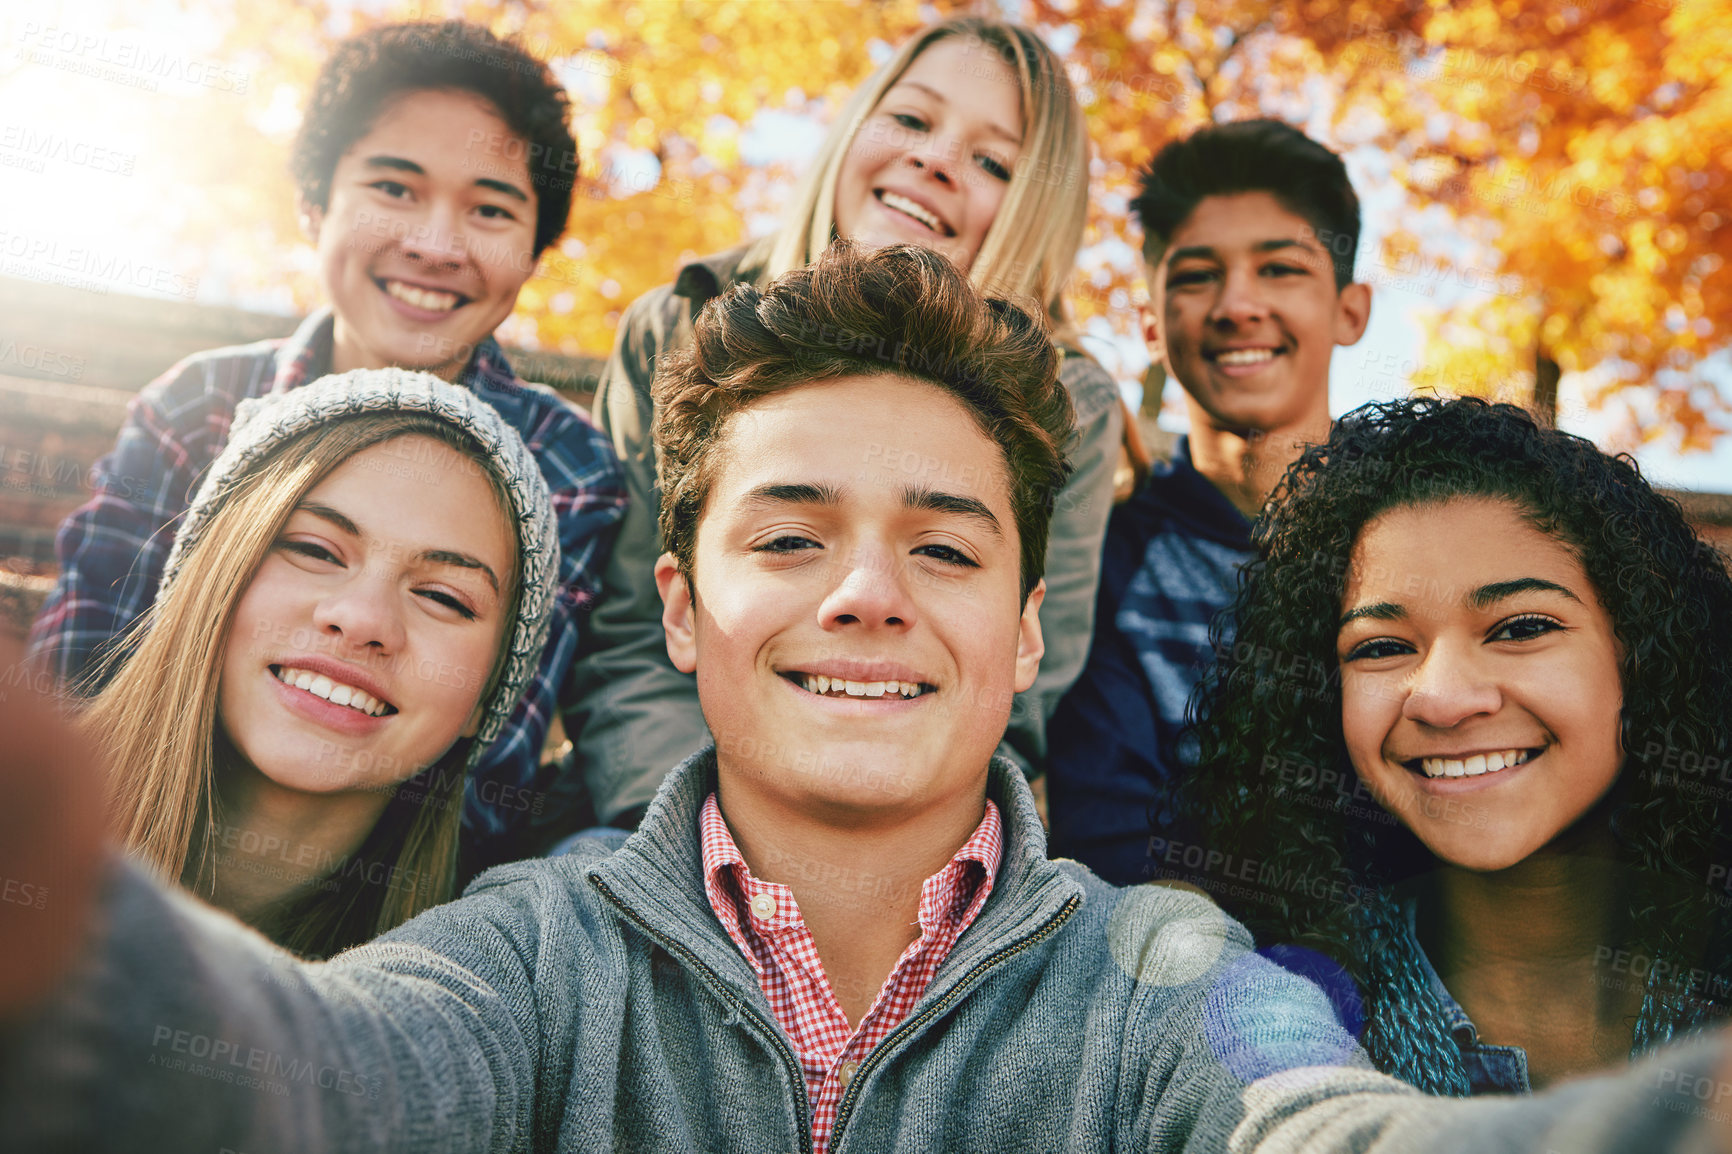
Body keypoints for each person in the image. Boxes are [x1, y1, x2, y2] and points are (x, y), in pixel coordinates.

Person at [7, 243, 1732, 1154]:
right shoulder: (525, 947)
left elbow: (1318, 1126)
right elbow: (318, 1073)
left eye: (942, 543)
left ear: (1023, 625)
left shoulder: (1169, 973)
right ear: (680, 609)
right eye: (792, 530)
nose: (864, 591)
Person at [26, 21, 626, 871]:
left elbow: (482, 774)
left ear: (533, 252)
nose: (436, 246)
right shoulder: (200, 406)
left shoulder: (567, 468)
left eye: (491, 209)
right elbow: (80, 681)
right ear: (315, 204)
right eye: (394, 188)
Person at [565, 15, 1124, 831]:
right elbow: (626, 644)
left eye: (992, 161)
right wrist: (698, 846)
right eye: (911, 119)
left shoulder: (1073, 404)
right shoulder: (675, 324)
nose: (934, 159)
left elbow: (1007, 690)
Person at [1180, 396, 1732, 1095]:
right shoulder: (1255, 1032)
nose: (1441, 698)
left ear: (1644, 653)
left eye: (1521, 627)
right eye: (1380, 647)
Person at [84, 370, 559, 957]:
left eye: (443, 596)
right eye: (314, 550)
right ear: (206, 577)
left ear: (487, 697)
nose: (362, 619)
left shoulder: (491, 984)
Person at [1044, 119, 1372, 884]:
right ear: (1152, 325)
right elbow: (1112, 852)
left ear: (1350, 311)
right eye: (1196, 276)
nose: (1236, 305)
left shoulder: (1423, 538)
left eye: (1280, 270)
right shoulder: (1106, 557)